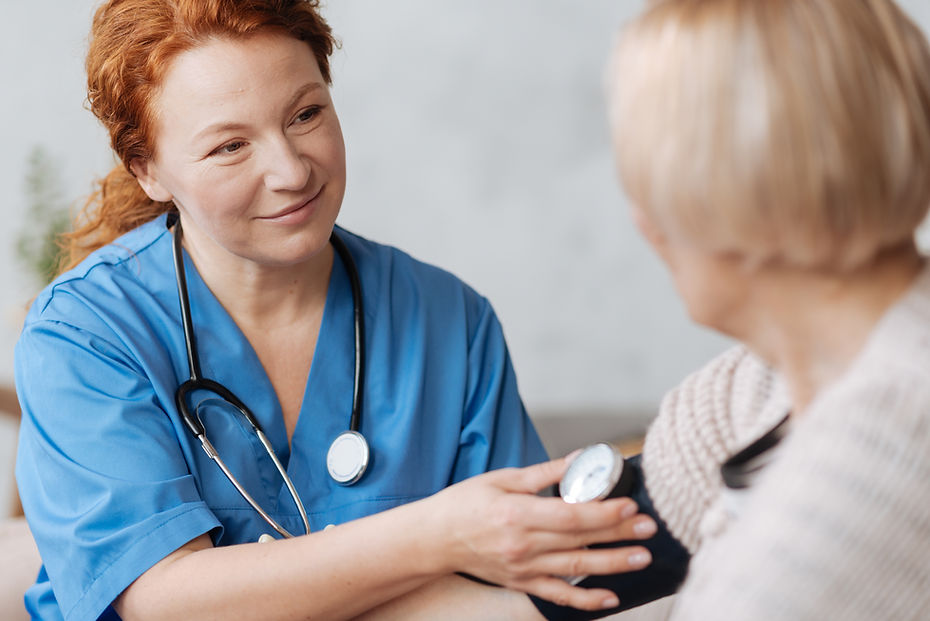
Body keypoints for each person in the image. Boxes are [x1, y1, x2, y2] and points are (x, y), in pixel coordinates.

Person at [13, 1, 659, 619]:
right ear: (148, 170)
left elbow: (521, 588)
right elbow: (163, 600)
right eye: (230, 146)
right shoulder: (85, 335)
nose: (292, 171)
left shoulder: (449, 322)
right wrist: (438, 536)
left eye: (305, 114)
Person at [605, 0, 930, 619]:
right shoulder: (771, 382)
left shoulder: (859, 479)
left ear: (720, 204)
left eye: (644, 185)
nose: (640, 222)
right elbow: (536, 582)